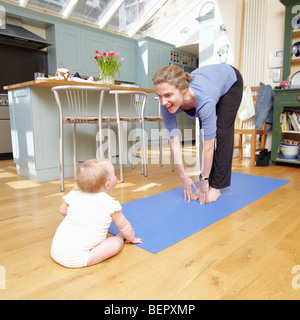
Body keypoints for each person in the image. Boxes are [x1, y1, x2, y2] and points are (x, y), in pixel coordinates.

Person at [152, 64, 243, 205]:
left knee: (222, 132)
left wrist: (204, 181)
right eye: (160, 96)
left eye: (168, 95)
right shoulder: (165, 105)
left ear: (183, 89)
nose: (163, 101)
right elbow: (174, 142)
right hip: (209, 86)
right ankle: (207, 179)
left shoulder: (204, 100)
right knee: (204, 134)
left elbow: (209, 146)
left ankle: (216, 186)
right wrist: (183, 176)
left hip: (230, 82)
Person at [51, 158, 142, 268]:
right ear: (108, 184)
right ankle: (120, 238)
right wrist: (131, 238)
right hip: (79, 259)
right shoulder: (110, 204)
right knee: (114, 244)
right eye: (114, 175)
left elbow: (62, 210)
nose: (116, 177)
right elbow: (124, 225)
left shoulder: (73, 195)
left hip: (56, 251)